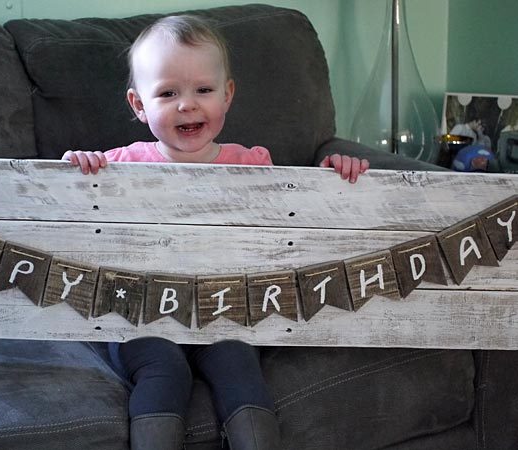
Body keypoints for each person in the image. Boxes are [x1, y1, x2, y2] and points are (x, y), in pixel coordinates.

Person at [63, 15, 369, 450]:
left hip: (224, 310)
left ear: (227, 95)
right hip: (143, 315)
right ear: (138, 104)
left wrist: (333, 178)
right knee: (163, 368)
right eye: (168, 93)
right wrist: (78, 168)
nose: (187, 104)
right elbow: (67, 207)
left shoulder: (251, 165)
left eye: (203, 90)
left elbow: (296, 210)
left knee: (239, 364)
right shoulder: (122, 165)